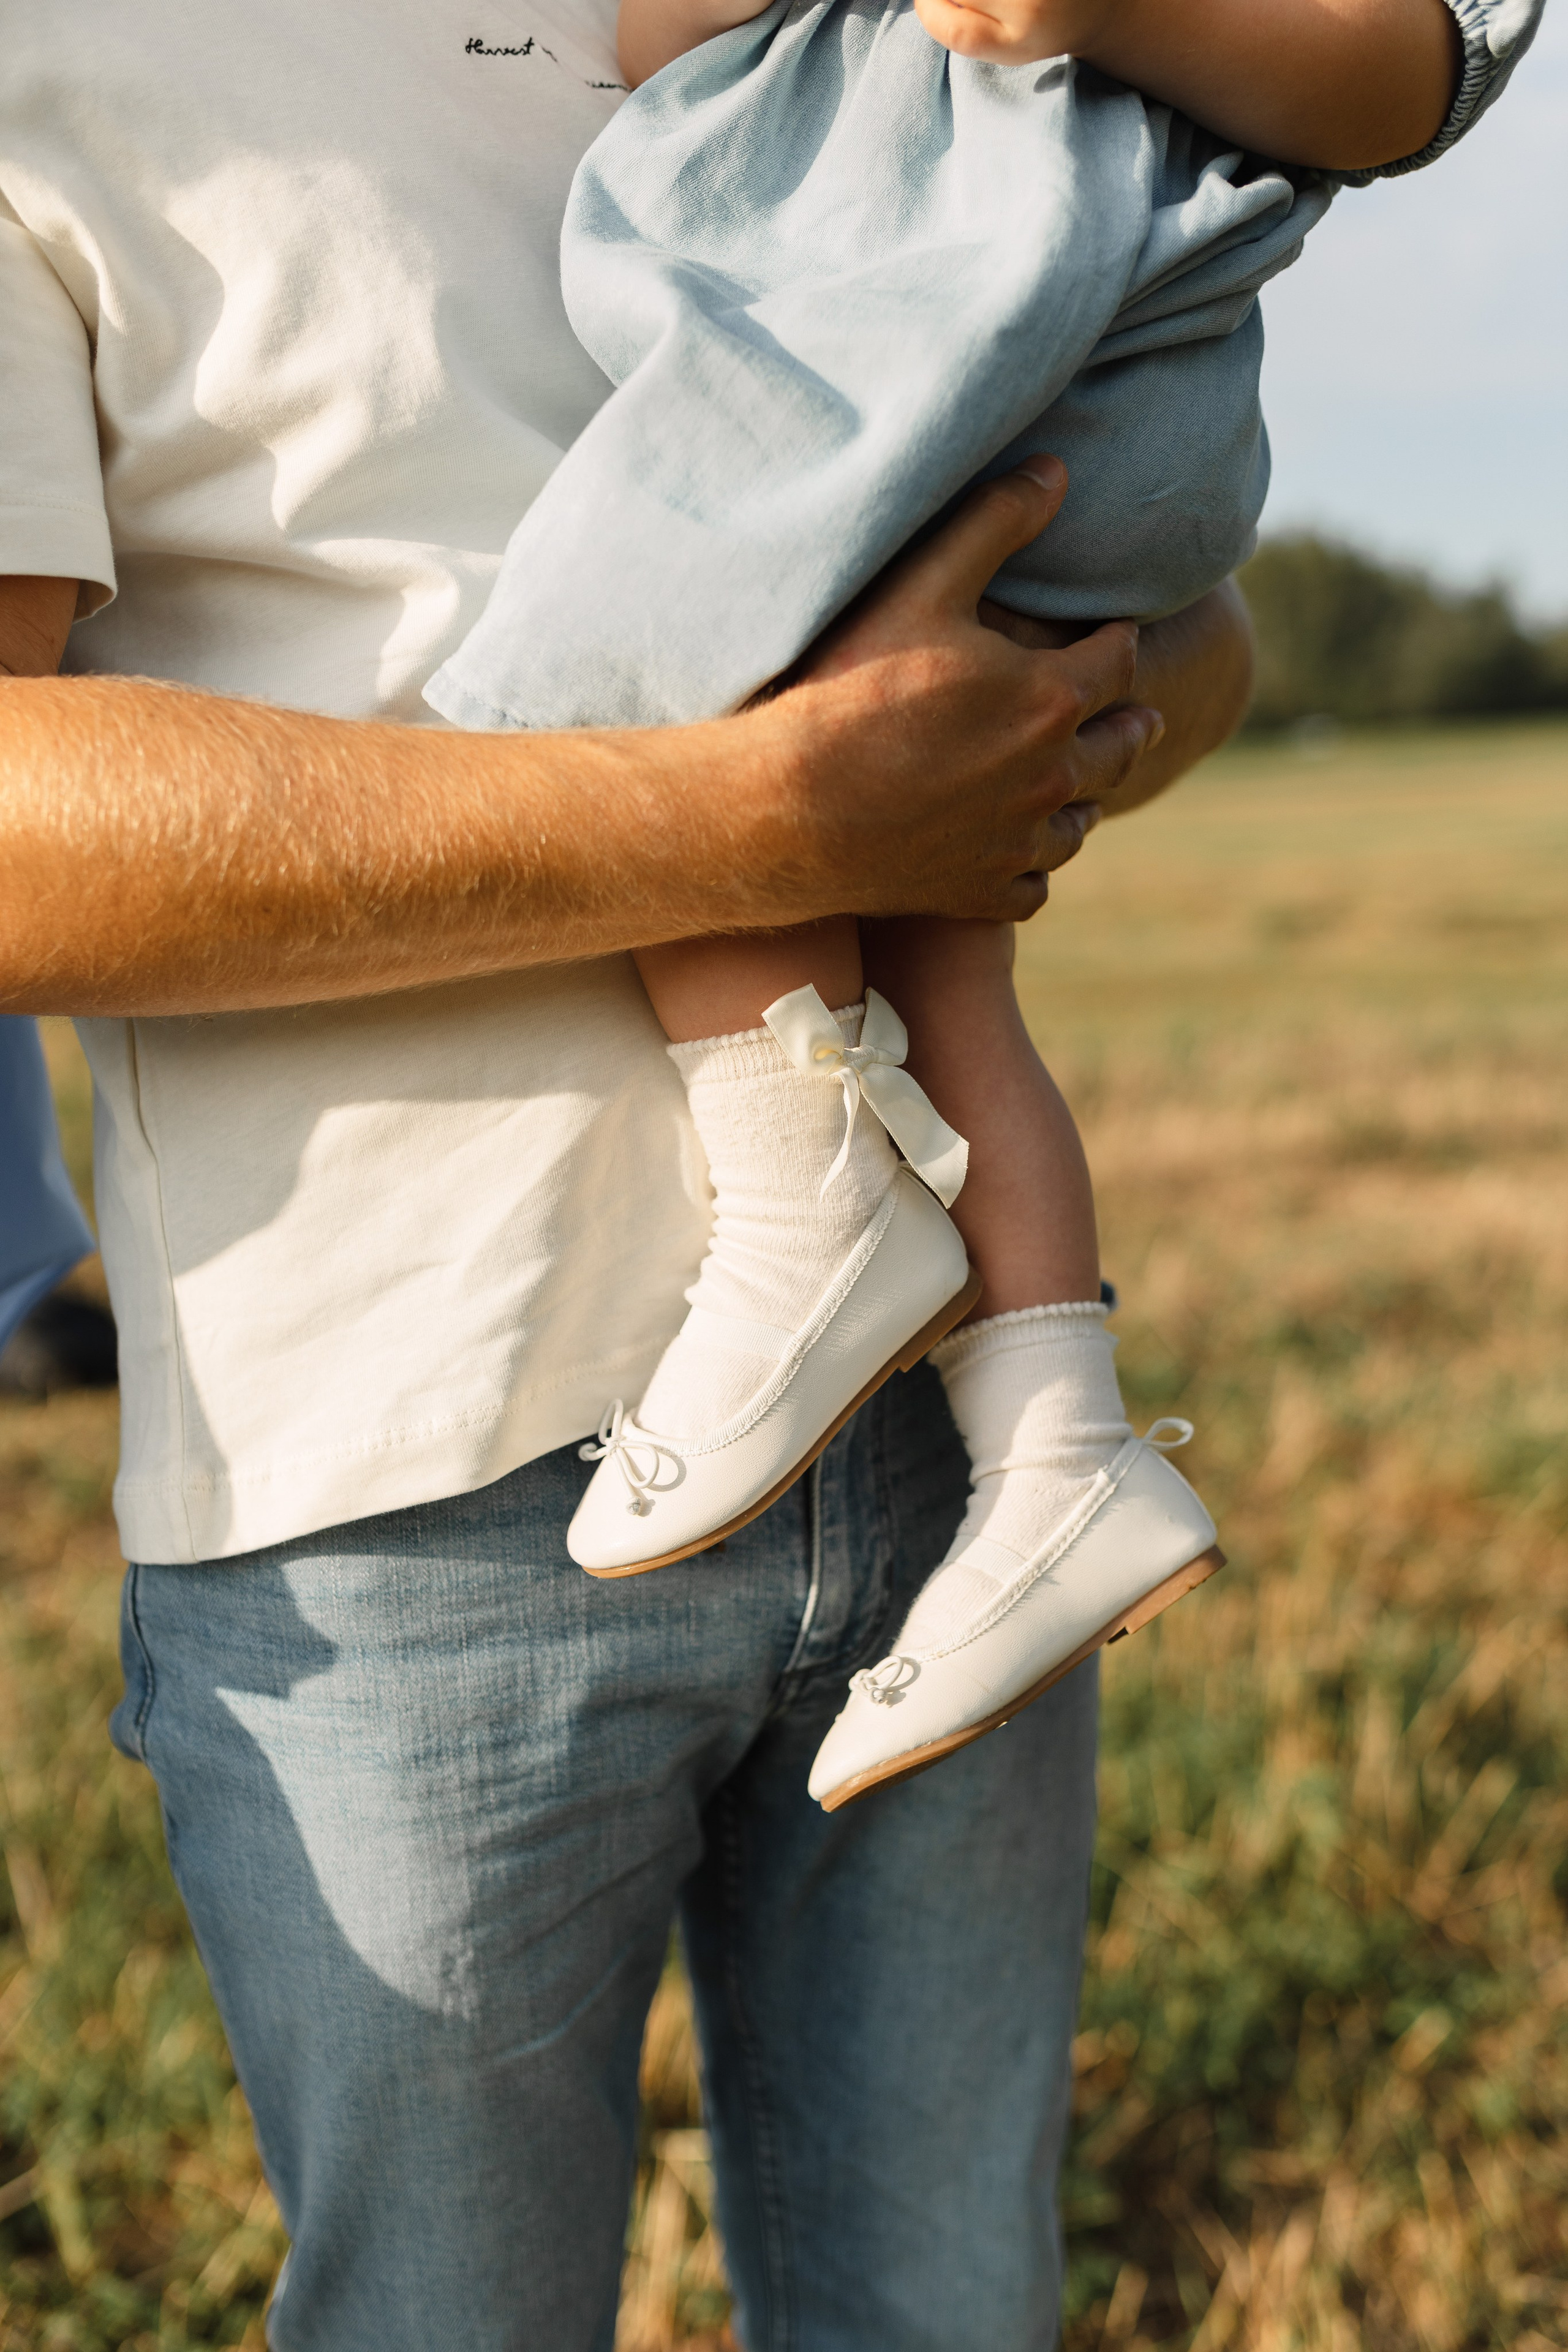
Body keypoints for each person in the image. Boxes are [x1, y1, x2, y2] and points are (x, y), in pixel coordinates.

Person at [0, 15, 1308, 2345]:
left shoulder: (817, 21)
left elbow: (1180, 641)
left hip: (953, 1428)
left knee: (952, 2313)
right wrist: (761, 819)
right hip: (406, 1482)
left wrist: (1063, 693)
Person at [421, 0, 1540, 1812]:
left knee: (630, 688)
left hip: (975, 326)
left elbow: (1431, 66)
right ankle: (1063, 1452)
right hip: (1037, 344)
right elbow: (646, 31)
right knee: (944, 956)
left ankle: (810, 1219)